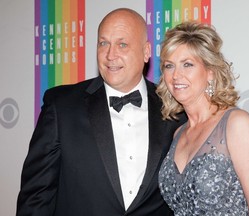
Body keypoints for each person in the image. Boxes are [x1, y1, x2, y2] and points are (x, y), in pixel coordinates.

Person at [16, 8, 185, 216]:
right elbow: (36, 197)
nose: (110, 55)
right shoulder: (61, 106)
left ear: (147, 51)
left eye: (122, 44)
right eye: (103, 43)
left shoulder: (175, 108)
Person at [157, 22, 249, 215]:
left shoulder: (236, 124)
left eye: (187, 64)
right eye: (169, 66)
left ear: (210, 72)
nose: (176, 75)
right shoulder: (179, 133)